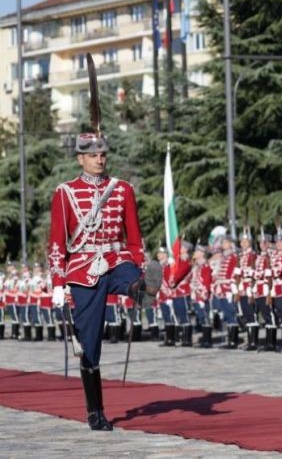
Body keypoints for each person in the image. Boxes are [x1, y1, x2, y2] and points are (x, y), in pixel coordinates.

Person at [48, 53, 162, 431]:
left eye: (103, 154)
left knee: (129, 276)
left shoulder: (122, 189)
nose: (100, 159)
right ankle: (95, 410)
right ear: (80, 158)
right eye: (94, 155)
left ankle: (141, 289)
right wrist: (58, 283)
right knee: (90, 341)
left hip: (116, 260)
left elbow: (134, 236)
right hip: (82, 269)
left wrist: (139, 265)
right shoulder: (65, 193)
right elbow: (57, 243)